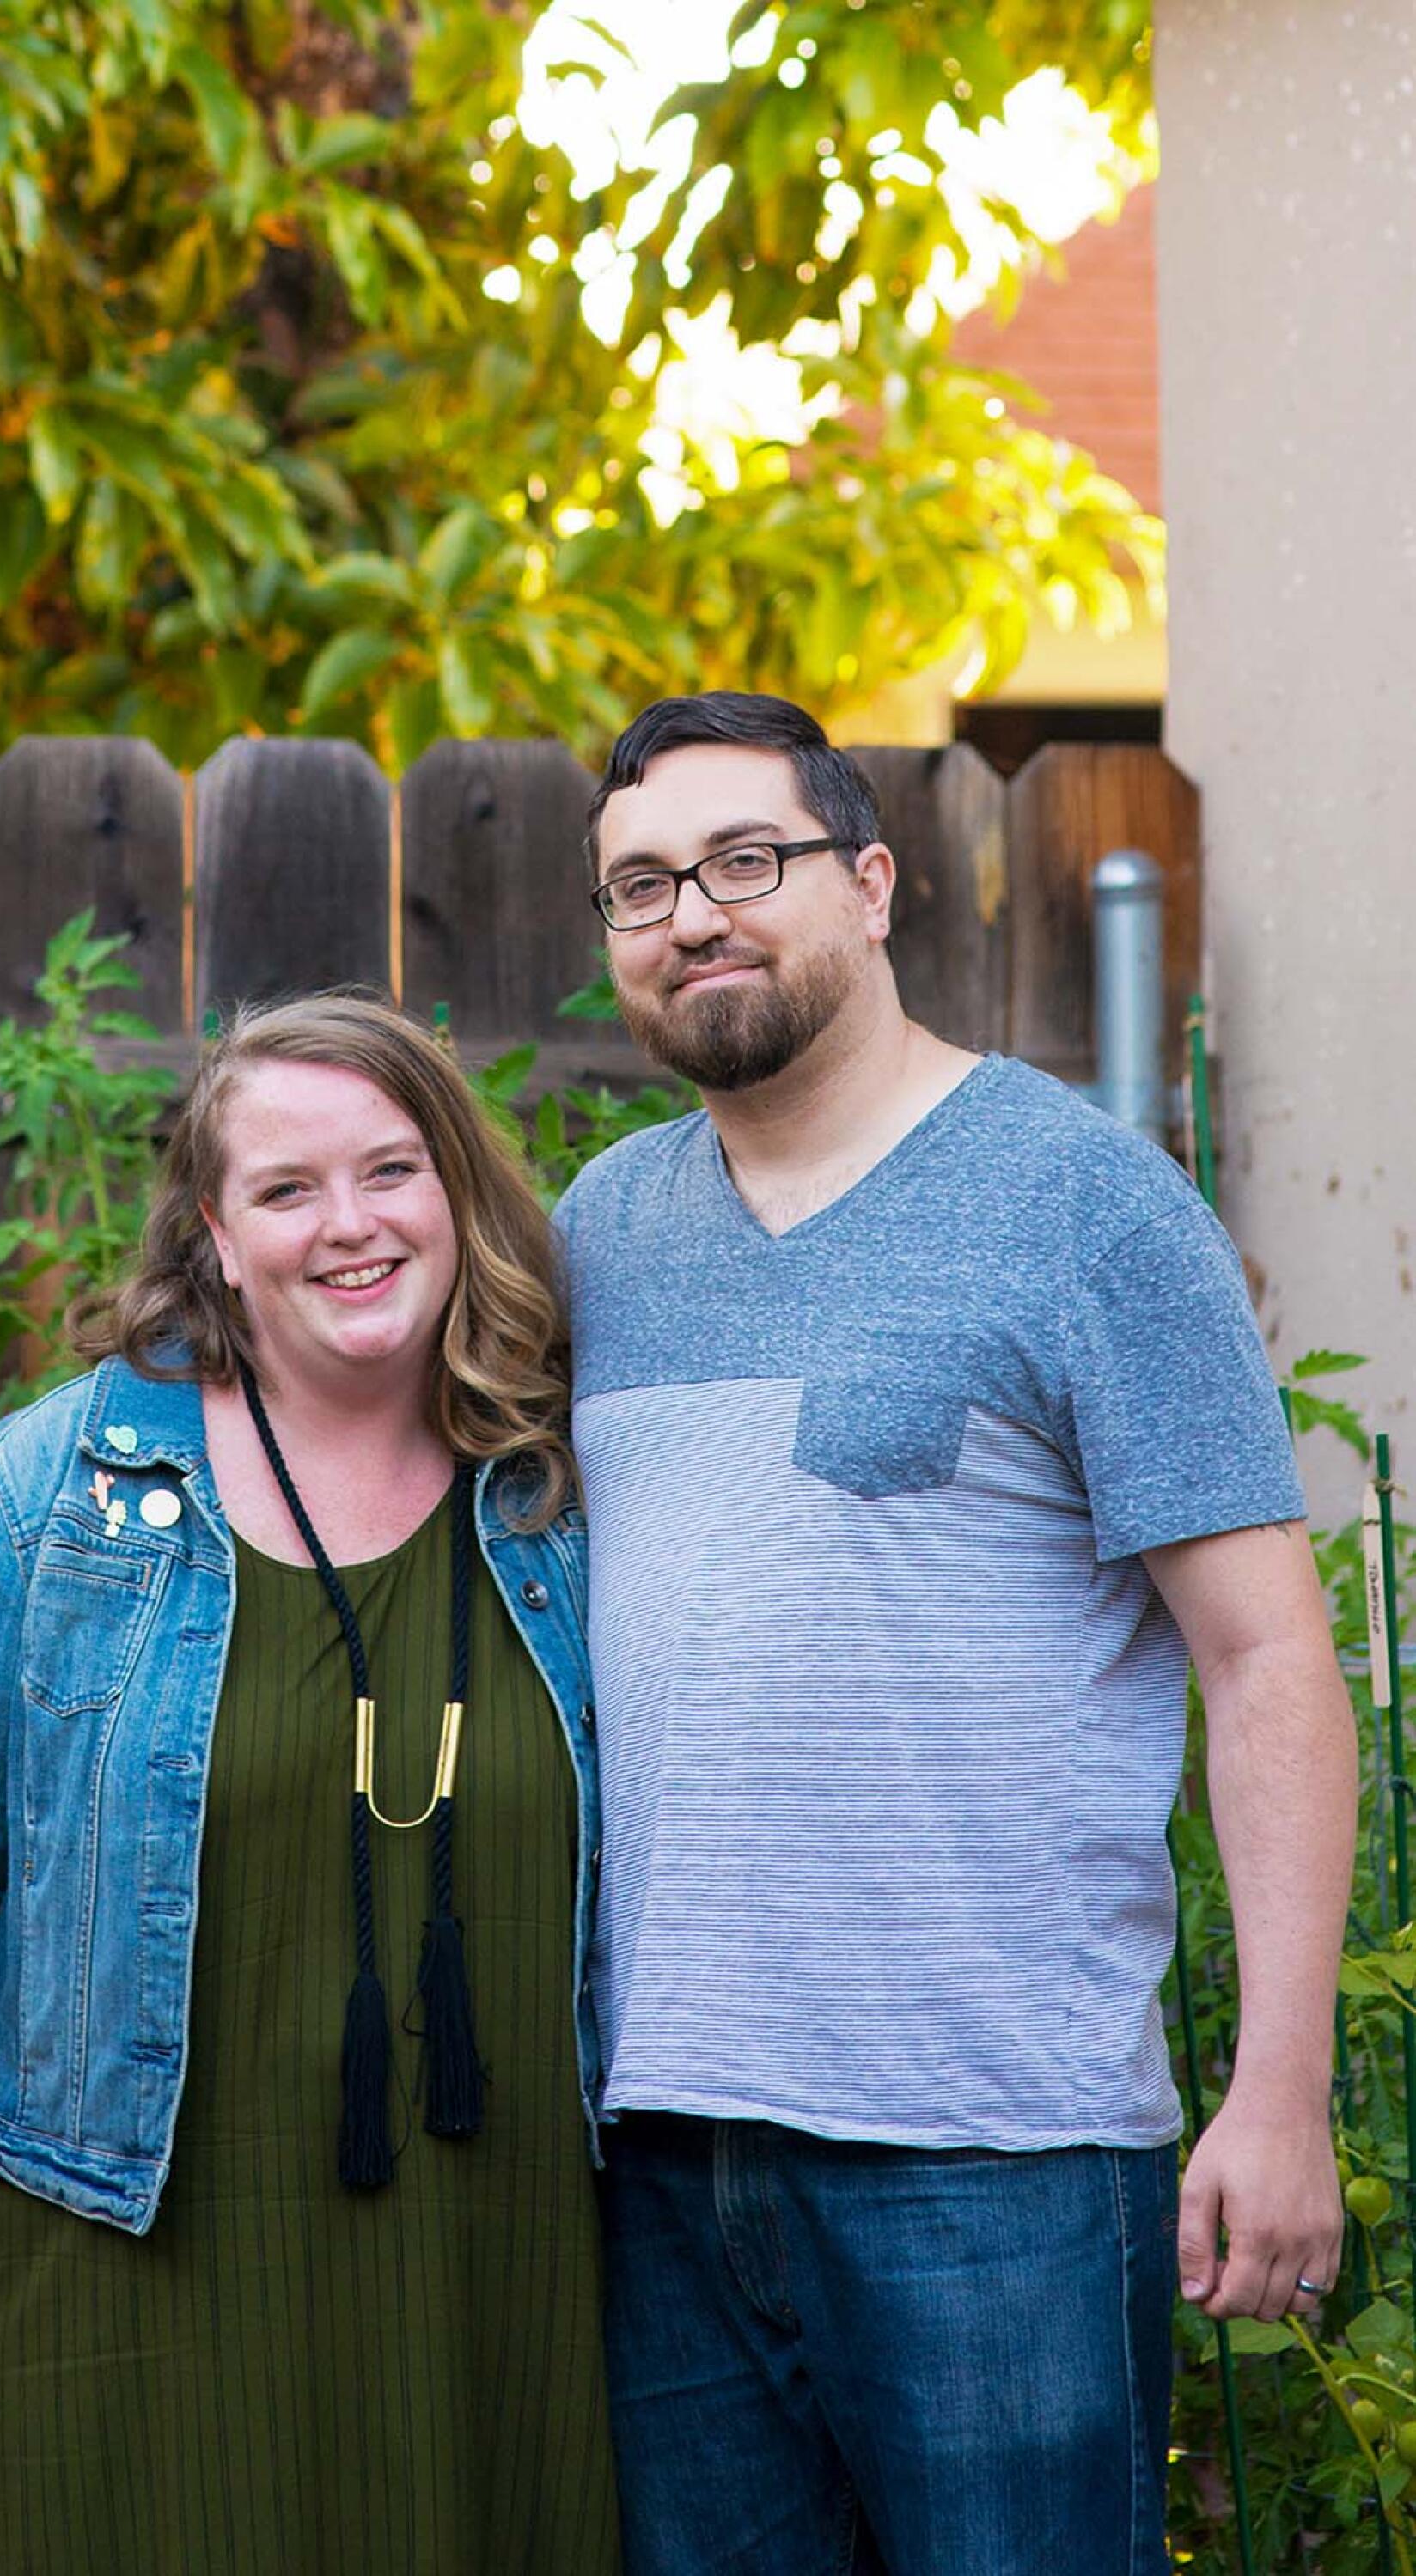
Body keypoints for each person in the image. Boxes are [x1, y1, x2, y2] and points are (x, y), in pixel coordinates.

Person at [553, 691, 1357, 2574]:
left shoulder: (1080, 1205)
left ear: (872, 883)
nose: (694, 916)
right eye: (640, 887)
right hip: (660, 2147)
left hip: (988, 2157)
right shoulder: (598, 1235)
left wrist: (1283, 2085)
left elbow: (1264, 1662)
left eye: (747, 862)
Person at [0, 995, 621, 2576]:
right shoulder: (62, 1489)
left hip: (498, 2289)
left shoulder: (571, 1490)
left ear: (459, 1195)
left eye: (390, 1170)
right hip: (113, 2263)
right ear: (216, 1240)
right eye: (286, 1191)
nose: (348, 1226)